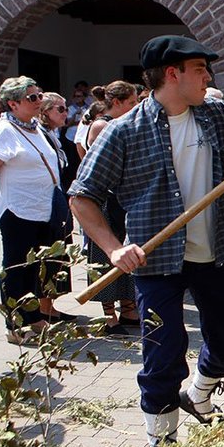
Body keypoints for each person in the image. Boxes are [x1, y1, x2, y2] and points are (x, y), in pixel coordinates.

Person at [69, 35, 224, 447]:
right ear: (173, 74)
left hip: (211, 254)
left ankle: (198, 393)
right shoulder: (125, 131)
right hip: (155, 261)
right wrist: (114, 249)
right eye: (200, 69)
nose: (208, 77)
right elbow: (82, 197)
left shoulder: (215, 115)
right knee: (163, 356)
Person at [0, 77, 76, 344]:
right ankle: (15, 325)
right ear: (13, 104)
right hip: (18, 211)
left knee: (36, 268)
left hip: (42, 209)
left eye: (39, 95)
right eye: (32, 98)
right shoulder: (4, 131)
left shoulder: (34, 127)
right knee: (16, 268)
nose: (39, 101)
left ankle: (34, 317)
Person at [82, 81, 141, 332]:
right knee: (105, 256)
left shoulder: (123, 124)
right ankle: (109, 316)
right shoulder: (102, 125)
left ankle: (128, 309)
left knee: (127, 250)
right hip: (105, 200)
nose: (136, 107)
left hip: (122, 199)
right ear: (116, 103)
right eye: (131, 102)